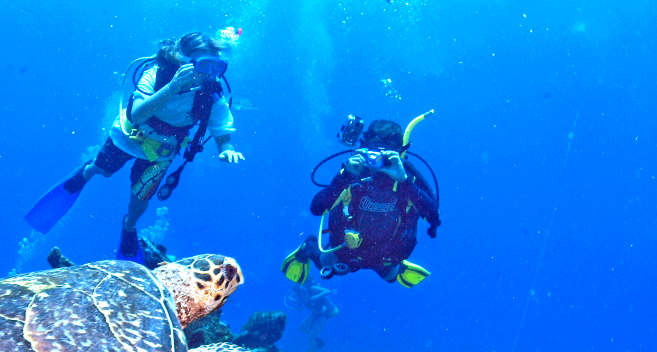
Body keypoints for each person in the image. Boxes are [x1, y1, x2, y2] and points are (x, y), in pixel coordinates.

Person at [25, 32, 244, 263]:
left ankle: (129, 225)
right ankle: (89, 170)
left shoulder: (212, 93)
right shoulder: (157, 75)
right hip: (130, 136)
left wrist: (226, 149)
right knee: (104, 171)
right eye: (203, 65)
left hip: (162, 151)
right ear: (184, 61)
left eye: (216, 66)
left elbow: (221, 127)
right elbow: (137, 114)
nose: (209, 73)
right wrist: (172, 88)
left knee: (141, 197)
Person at [282, 119, 440, 287]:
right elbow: (317, 208)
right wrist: (344, 177)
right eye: (373, 153)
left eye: (386, 156)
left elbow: (433, 217)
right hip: (345, 249)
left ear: (399, 153)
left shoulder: (406, 177)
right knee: (324, 263)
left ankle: (395, 269)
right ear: (364, 148)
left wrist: (405, 182)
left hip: (385, 255)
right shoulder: (353, 172)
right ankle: (308, 248)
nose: (378, 161)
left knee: (391, 277)